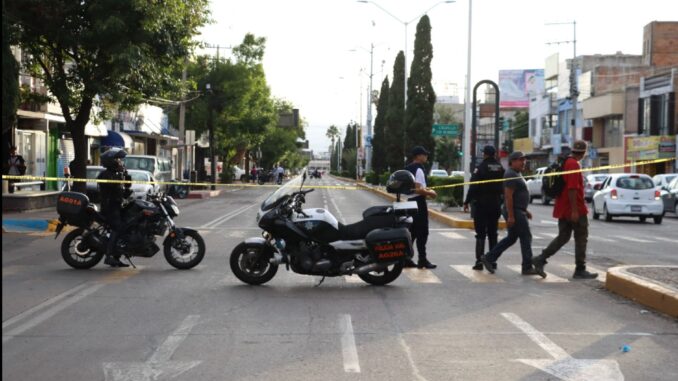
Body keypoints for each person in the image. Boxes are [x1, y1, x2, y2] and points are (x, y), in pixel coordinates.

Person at [532, 141, 598, 279]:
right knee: (581, 238)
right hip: (574, 208)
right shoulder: (573, 164)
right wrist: (574, 210)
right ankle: (580, 269)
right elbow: (572, 188)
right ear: (584, 152)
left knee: (563, 237)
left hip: (563, 206)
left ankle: (541, 258)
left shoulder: (565, 162)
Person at [480, 151, 544, 277]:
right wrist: (511, 215)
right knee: (526, 237)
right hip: (514, 211)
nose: (523, 162)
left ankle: (489, 258)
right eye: (520, 160)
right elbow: (508, 196)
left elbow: (518, 196)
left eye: (524, 160)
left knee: (511, 238)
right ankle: (527, 267)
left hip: (518, 210)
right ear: (512, 161)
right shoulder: (510, 174)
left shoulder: (517, 173)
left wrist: (525, 210)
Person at [464, 145, 505, 271]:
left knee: (481, 234)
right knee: (493, 233)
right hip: (496, 204)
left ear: (485, 154)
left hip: (482, 205)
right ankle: (492, 261)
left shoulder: (480, 168)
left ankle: (479, 261)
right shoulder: (500, 168)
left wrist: (467, 201)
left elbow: (473, 186)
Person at [97, 148, 133, 267]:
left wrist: (126, 174)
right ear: (110, 161)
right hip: (109, 208)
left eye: (119, 160)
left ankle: (117, 256)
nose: (119, 162)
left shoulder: (116, 174)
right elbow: (114, 187)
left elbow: (126, 187)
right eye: (117, 160)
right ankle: (109, 256)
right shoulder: (105, 175)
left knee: (126, 227)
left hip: (116, 206)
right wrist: (121, 176)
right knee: (118, 228)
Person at [404, 146, 438, 269]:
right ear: (418, 156)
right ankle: (422, 260)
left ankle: (406, 258)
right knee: (422, 232)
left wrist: (426, 190)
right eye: (424, 154)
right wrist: (431, 193)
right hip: (418, 203)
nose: (426, 156)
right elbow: (418, 189)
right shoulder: (418, 169)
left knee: (412, 232)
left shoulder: (408, 168)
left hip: (409, 202)